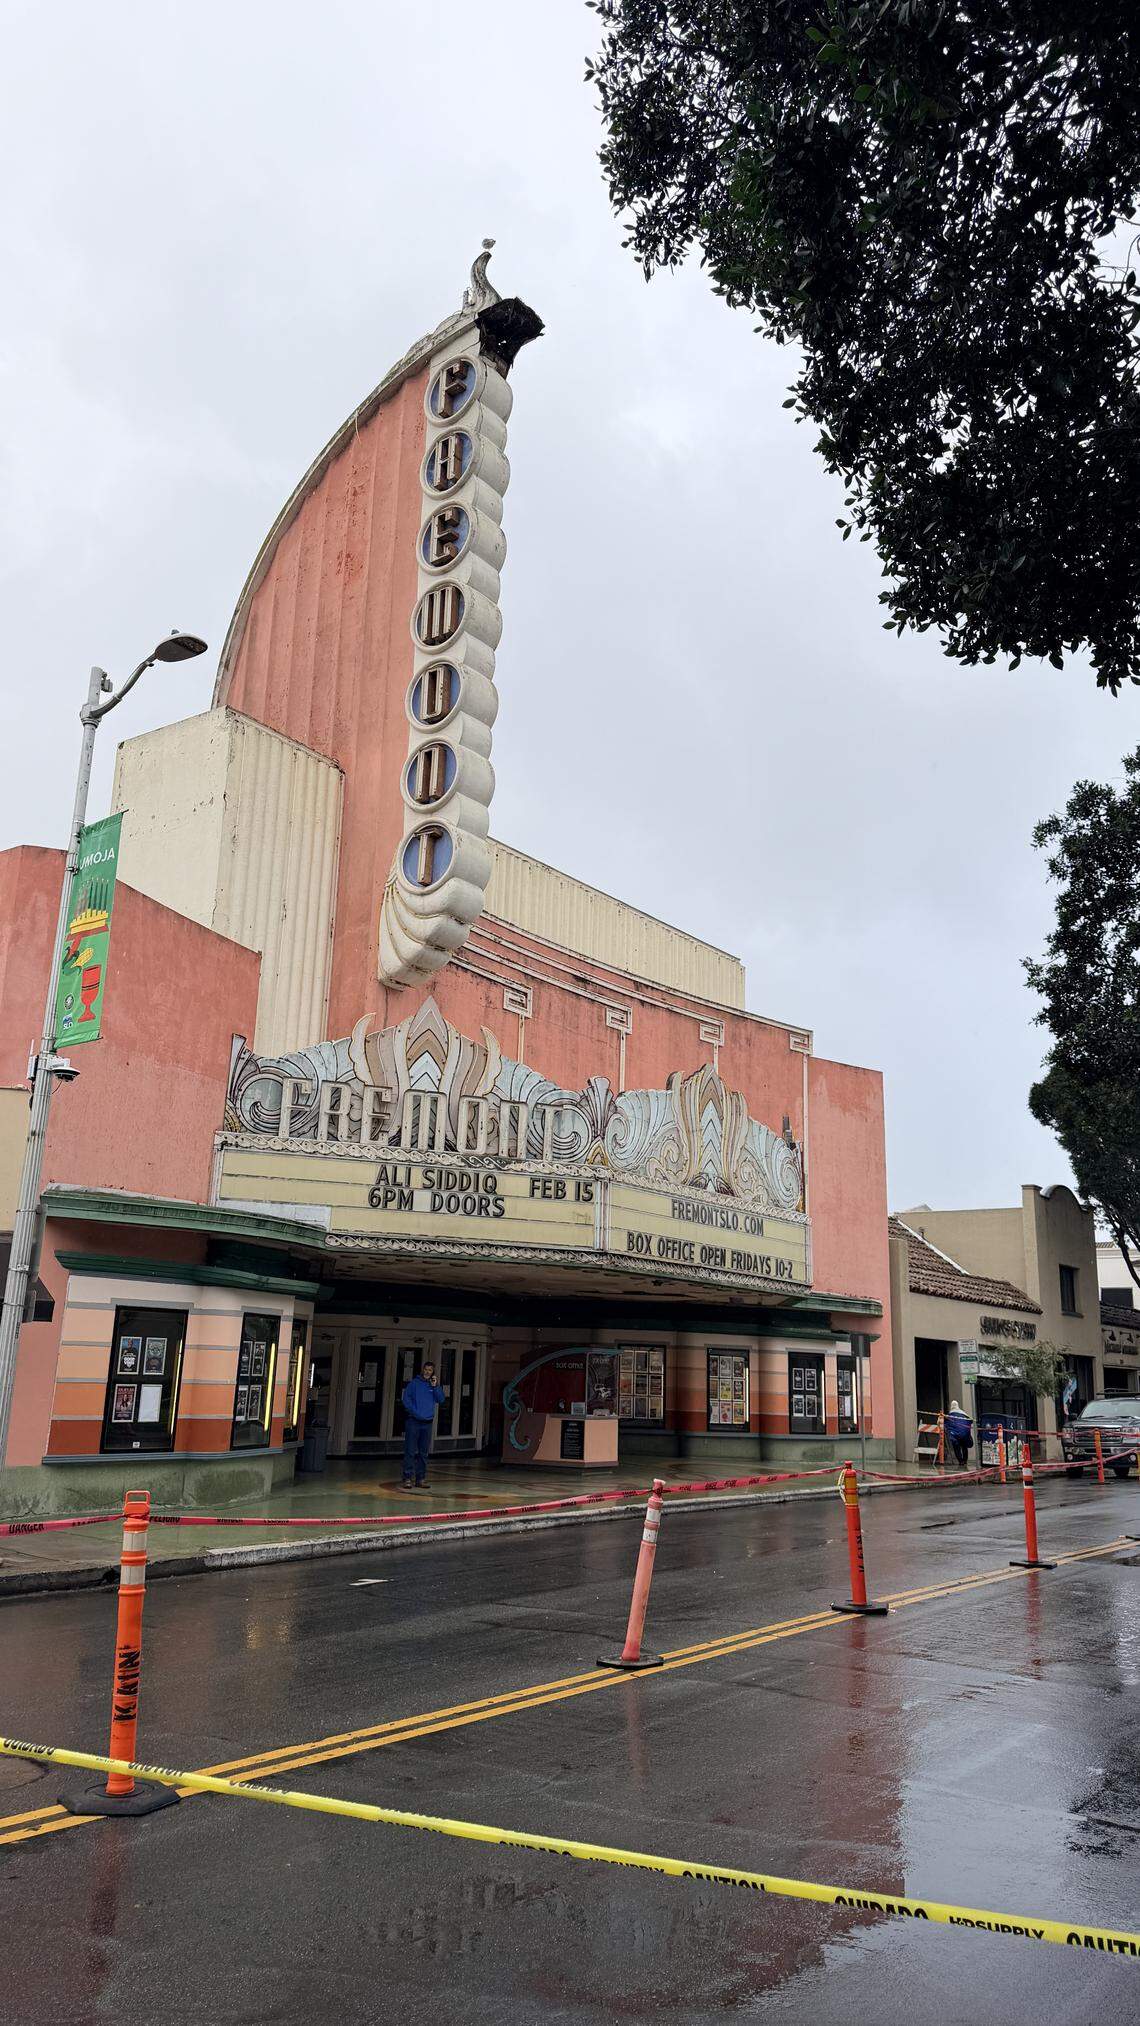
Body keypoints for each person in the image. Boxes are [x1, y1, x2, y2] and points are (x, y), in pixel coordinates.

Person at [401, 1362, 446, 1489]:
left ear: (433, 1372)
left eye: (430, 1370)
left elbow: (441, 1399)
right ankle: (407, 1478)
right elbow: (406, 1400)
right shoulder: (414, 1384)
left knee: (423, 1453)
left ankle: (420, 1479)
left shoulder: (433, 1385)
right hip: (413, 1422)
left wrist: (436, 1386)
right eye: (426, 1369)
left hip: (427, 1423)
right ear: (422, 1370)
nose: (427, 1372)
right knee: (410, 1451)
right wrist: (415, 1413)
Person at [944, 1398, 973, 1468]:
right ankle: (965, 1461)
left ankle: (961, 1461)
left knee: (956, 1446)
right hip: (964, 1433)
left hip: (955, 1434)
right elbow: (970, 1420)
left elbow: (946, 1423)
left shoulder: (950, 1414)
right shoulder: (963, 1413)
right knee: (964, 1446)